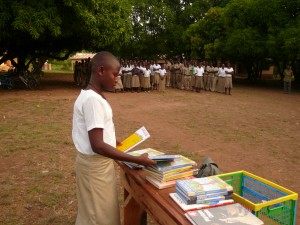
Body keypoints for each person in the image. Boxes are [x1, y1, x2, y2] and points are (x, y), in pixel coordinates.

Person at [72, 51, 156, 225]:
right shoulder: (92, 100)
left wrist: (113, 141)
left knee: (96, 212)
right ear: (101, 71)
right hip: (95, 167)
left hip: (96, 166)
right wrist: (136, 160)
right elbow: (97, 145)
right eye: (115, 74)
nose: (117, 79)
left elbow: (95, 132)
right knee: (99, 216)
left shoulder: (91, 95)